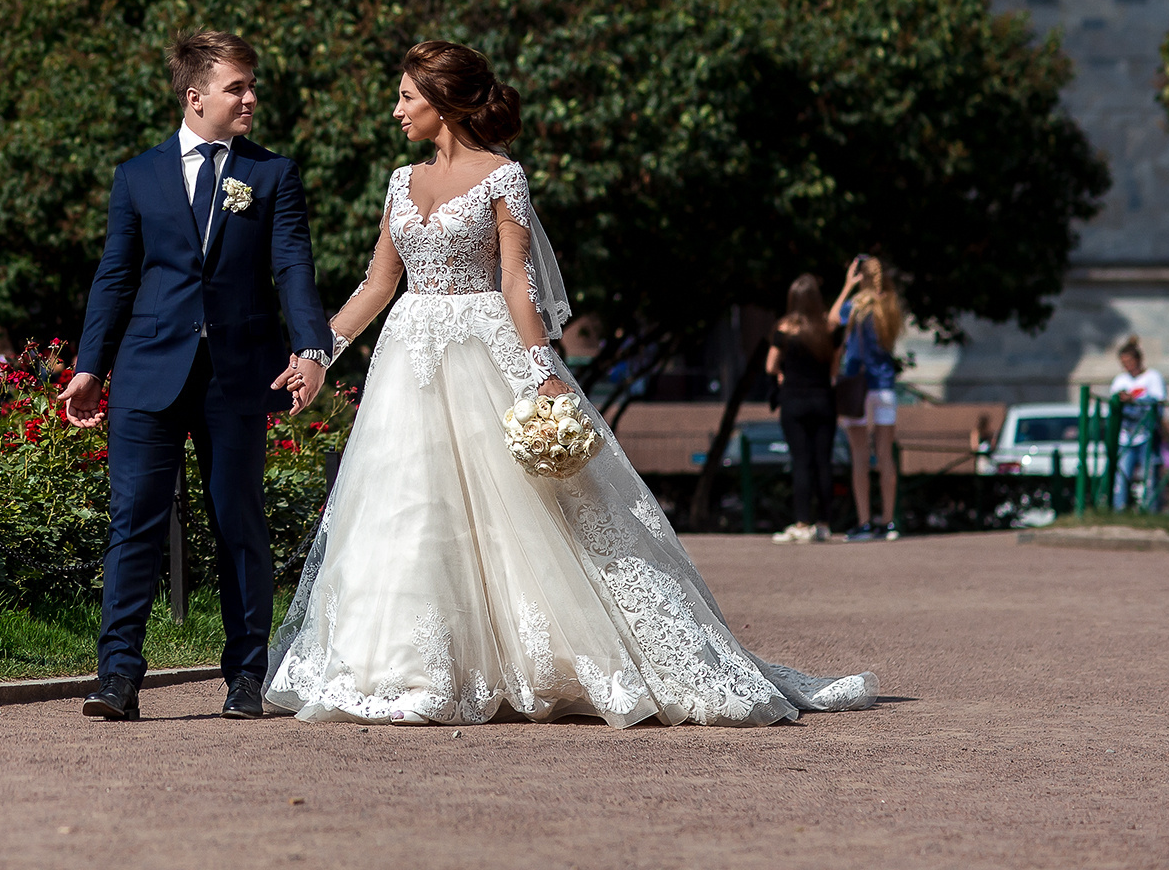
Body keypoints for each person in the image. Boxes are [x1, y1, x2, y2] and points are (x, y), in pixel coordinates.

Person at [260, 40, 877, 726]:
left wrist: (542, 375)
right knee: (408, 505)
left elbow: (518, 286)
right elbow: (378, 284)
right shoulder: (401, 181)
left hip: (484, 351)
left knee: (530, 512)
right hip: (409, 360)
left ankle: (545, 658)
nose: (396, 109)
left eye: (408, 96)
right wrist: (319, 352)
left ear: (445, 102)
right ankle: (412, 666)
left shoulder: (504, 177)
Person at [59, 29, 335, 722]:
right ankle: (117, 675)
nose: (250, 98)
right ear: (195, 96)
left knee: (238, 521)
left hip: (240, 375)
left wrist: (310, 349)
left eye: (250, 86)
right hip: (150, 374)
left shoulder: (272, 175)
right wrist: (91, 366)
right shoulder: (137, 176)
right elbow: (115, 278)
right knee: (134, 525)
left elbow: (293, 268)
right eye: (236, 87)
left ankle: (247, 675)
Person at [832, 255, 905, 542]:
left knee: (860, 456)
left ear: (860, 275)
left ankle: (864, 522)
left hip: (857, 386)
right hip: (884, 386)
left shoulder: (856, 306)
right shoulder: (889, 306)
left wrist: (847, 286)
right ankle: (888, 521)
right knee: (886, 456)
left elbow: (831, 319)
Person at [767, 274, 842, 545]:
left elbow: (770, 365)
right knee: (823, 461)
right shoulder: (828, 330)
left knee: (801, 461)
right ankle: (824, 523)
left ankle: (801, 523)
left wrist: (782, 375)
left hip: (794, 401)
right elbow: (835, 369)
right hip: (823, 400)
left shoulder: (784, 329)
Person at [1109, 336, 1167, 512]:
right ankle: (1119, 511)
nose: (1127, 366)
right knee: (1122, 476)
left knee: (1150, 476)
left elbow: (1158, 401)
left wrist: (1133, 399)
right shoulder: (1120, 380)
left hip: (1147, 434)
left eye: (1129, 361)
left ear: (1138, 360)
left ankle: (1151, 512)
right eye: (1123, 362)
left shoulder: (1153, 377)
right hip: (1126, 436)